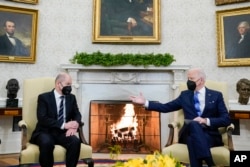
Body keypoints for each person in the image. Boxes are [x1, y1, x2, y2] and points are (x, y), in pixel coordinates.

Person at [129, 68, 231, 167]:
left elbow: (226, 119)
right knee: (194, 124)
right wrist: (145, 103)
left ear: (201, 80)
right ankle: (210, 163)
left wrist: (205, 120)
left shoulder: (216, 95)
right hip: (188, 132)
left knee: (192, 141)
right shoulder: (185, 95)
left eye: (191, 79)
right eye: (188, 78)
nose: (188, 81)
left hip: (211, 135)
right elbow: (166, 107)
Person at [30, 72, 82, 167]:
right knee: (47, 142)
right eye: (68, 84)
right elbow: (42, 118)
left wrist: (75, 125)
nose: (70, 87)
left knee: (75, 141)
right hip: (45, 132)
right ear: (59, 84)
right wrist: (64, 125)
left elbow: (77, 114)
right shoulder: (44, 98)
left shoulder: (71, 98)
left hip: (63, 133)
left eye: (71, 84)